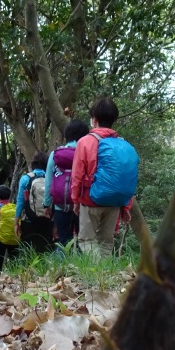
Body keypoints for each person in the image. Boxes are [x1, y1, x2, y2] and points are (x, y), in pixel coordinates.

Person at [70, 97, 138, 258]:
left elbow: (77, 175)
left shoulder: (85, 142)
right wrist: (125, 206)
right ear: (114, 119)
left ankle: (96, 271)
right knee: (106, 241)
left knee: (87, 240)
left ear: (94, 119)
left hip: (90, 199)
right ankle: (106, 272)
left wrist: (75, 200)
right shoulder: (123, 144)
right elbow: (127, 177)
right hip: (114, 202)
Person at [44, 119, 89, 248]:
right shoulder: (87, 153)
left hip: (60, 205)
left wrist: (47, 204)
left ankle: (66, 261)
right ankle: (82, 261)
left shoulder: (55, 154)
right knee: (83, 242)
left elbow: (48, 182)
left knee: (64, 241)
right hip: (82, 205)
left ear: (66, 136)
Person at [16, 152, 54, 253]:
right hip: (47, 219)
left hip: (29, 220)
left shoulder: (25, 178)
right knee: (45, 250)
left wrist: (16, 223)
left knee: (28, 251)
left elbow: (20, 202)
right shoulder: (51, 178)